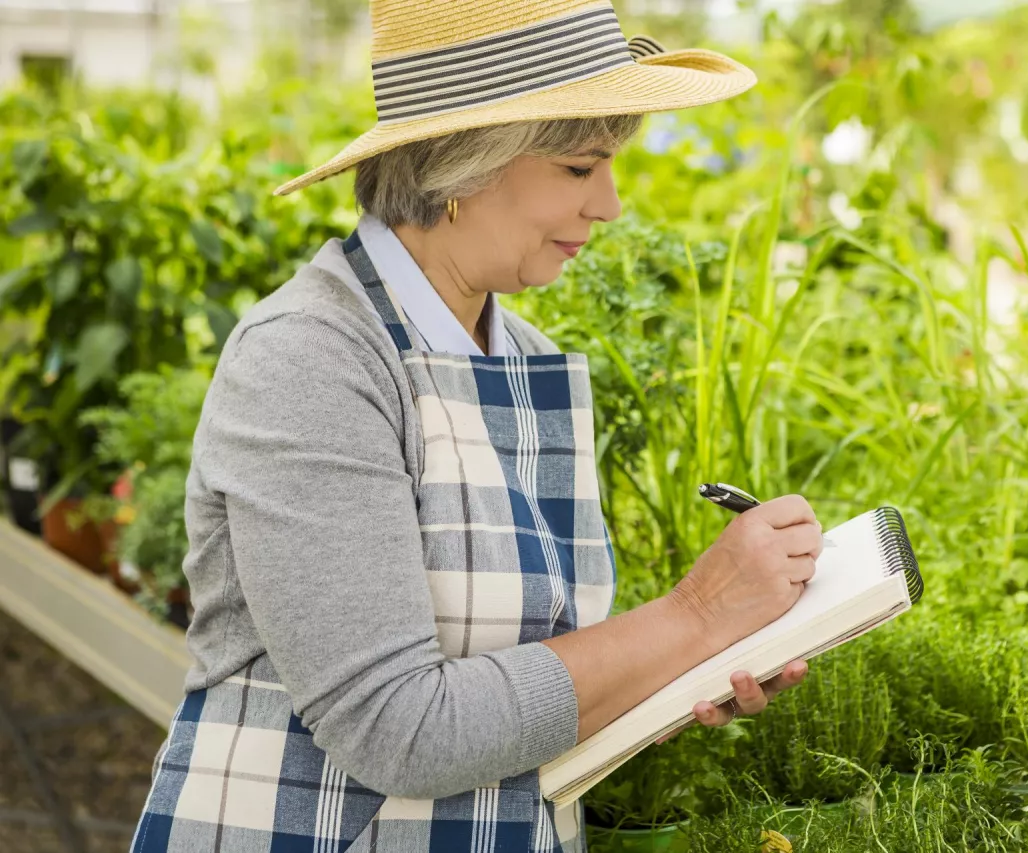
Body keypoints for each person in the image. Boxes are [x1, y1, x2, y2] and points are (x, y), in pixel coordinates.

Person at [130, 2, 825, 851]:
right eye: (579, 167)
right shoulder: (311, 360)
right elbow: (401, 729)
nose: (608, 205)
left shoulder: (519, 351)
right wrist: (695, 614)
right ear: (465, 167)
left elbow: (528, 682)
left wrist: (684, 669)